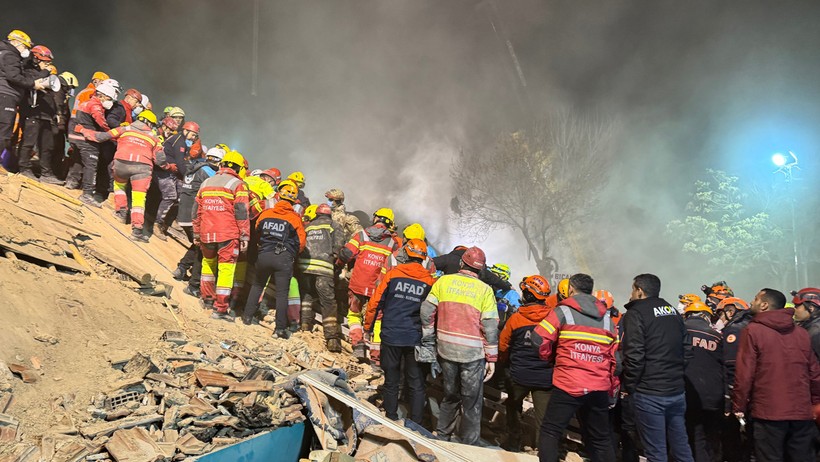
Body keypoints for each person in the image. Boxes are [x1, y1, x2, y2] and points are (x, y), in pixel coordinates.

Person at [530, 273, 619, 462]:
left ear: (571, 289)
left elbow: (538, 338)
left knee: (551, 431)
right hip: (598, 387)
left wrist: (551, 357)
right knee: (601, 439)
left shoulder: (563, 312)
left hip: (568, 383)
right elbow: (615, 359)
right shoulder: (607, 320)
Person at [419, 246, 498, 446]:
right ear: (480, 270)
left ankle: (443, 437)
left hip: (445, 349)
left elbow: (426, 312)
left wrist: (429, 339)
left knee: (450, 396)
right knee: (471, 402)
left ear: (462, 263)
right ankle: (468, 445)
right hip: (472, 355)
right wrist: (492, 358)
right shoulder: (485, 291)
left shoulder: (443, 282)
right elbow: (490, 327)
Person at [733, 288, 820, 462]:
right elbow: (814, 373)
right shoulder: (801, 333)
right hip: (801, 413)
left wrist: (739, 406)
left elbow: (744, 374)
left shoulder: (752, 331)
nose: (752, 302)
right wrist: (815, 403)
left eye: (756, 299)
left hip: (768, 414)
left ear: (764, 305)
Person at [621, 273, 694, 462]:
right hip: (676, 391)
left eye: (632, 289)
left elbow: (634, 355)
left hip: (649, 393)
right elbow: (687, 348)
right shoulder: (672, 311)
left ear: (639, 290)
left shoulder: (635, 313)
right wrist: (675, 374)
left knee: (656, 452)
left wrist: (630, 386)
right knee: (681, 447)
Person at [364, 238, 434, 423]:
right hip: (414, 338)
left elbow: (375, 302)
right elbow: (433, 312)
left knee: (391, 379)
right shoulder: (429, 281)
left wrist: (367, 327)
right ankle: (415, 424)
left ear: (406, 254)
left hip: (391, 335)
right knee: (416, 383)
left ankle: (391, 418)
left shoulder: (393, 274)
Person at [78, 110, 167, 242]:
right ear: (149, 123)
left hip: (121, 164)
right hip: (142, 169)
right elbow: (160, 160)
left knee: (119, 185)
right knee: (138, 199)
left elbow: (101, 137)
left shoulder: (124, 129)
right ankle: (137, 231)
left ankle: (121, 211)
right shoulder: (154, 138)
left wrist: (82, 130)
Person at [337, 207, 401, 362]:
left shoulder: (362, 235)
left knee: (354, 314)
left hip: (357, 284)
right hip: (377, 289)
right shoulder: (393, 243)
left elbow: (346, 253)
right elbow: (395, 267)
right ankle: (376, 358)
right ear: (390, 223)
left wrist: (338, 265)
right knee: (378, 320)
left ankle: (357, 345)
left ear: (375, 219)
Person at [192, 150, 250, 318]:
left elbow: (196, 212)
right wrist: (245, 235)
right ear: (239, 169)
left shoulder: (206, 182)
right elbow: (241, 212)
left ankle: (207, 299)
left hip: (206, 232)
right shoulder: (237, 185)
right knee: (226, 270)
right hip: (228, 234)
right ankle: (220, 309)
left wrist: (196, 232)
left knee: (208, 265)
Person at [499, 274, 554, 452]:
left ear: (529, 295)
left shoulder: (516, 319)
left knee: (513, 406)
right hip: (545, 377)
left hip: (519, 375)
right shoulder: (553, 319)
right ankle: (541, 450)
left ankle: (513, 442)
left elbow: (503, 345)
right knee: (543, 417)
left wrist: (504, 363)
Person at [243, 180, 305, 336]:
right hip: (283, 258)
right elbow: (301, 243)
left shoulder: (266, 213)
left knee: (257, 286)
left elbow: (257, 231)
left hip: (264, 255)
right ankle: (279, 329)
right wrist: (291, 254)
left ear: (278, 197)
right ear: (293, 201)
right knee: (282, 294)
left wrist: (263, 246)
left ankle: (246, 318)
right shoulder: (295, 218)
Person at [175, 147, 224, 294]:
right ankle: (193, 285)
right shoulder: (209, 173)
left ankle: (181, 269)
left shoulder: (195, 167)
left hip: (183, 213)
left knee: (198, 245)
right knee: (203, 250)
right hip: (193, 215)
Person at [296, 203, 344, 351]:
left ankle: (305, 326)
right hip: (324, 268)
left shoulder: (308, 226)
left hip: (305, 267)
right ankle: (331, 339)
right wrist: (337, 264)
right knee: (328, 302)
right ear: (329, 215)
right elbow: (338, 247)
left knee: (306, 296)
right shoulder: (334, 225)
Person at [681, 301, 723, 462]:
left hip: (687, 392)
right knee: (711, 436)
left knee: (692, 436)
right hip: (714, 395)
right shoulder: (718, 336)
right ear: (706, 316)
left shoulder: (679, 331)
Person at [65, 81, 118, 206]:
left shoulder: (85, 103)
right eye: (109, 98)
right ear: (102, 96)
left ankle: (71, 182)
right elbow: (102, 123)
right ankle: (87, 194)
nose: (110, 102)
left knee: (78, 160)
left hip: (77, 137)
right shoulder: (96, 106)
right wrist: (110, 133)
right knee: (91, 165)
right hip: (88, 139)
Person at [716, 296, 753, 462]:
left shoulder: (733, 330)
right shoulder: (751, 325)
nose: (720, 319)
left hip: (739, 393)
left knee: (733, 437)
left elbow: (732, 367)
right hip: (755, 391)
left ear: (730, 311)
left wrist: (729, 400)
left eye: (721, 315)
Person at [0, 30, 45, 155]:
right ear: (15, 42)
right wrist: (33, 84)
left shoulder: (4, 53)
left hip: (4, 95)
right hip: (6, 95)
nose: (26, 49)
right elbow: (13, 76)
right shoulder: (9, 55)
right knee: (4, 129)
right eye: (25, 46)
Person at [17, 45, 55, 180]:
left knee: (46, 145)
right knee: (29, 141)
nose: (47, 64)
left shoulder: (42, 72)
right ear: (36, 58)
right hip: (31, 111)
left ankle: (46, 172)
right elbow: (32, 82)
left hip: (44, 114)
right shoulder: (26, 69)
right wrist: (45, 73)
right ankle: (24, 167)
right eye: (45, 61)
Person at [155, 121, 198, 239]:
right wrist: (186, 177)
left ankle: (165, 223)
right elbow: (180, 162)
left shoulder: (179, 139)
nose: (194, 138)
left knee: (179, 196)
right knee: (170, 196)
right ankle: (157, 223)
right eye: (193, 135)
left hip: (170, 170)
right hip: (164, 171)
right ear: (186, 131)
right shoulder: (180, 142)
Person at [433, 245, 512, 293]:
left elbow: (431, 263)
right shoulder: (480, 266)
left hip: (446, 291)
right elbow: (493, 279)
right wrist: (507, 286)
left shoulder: (449, 258)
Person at [793, 288, 820, 361]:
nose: (794, 309)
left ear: (811, 308)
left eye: (797, 306)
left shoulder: (816, 331)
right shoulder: (809, 327)